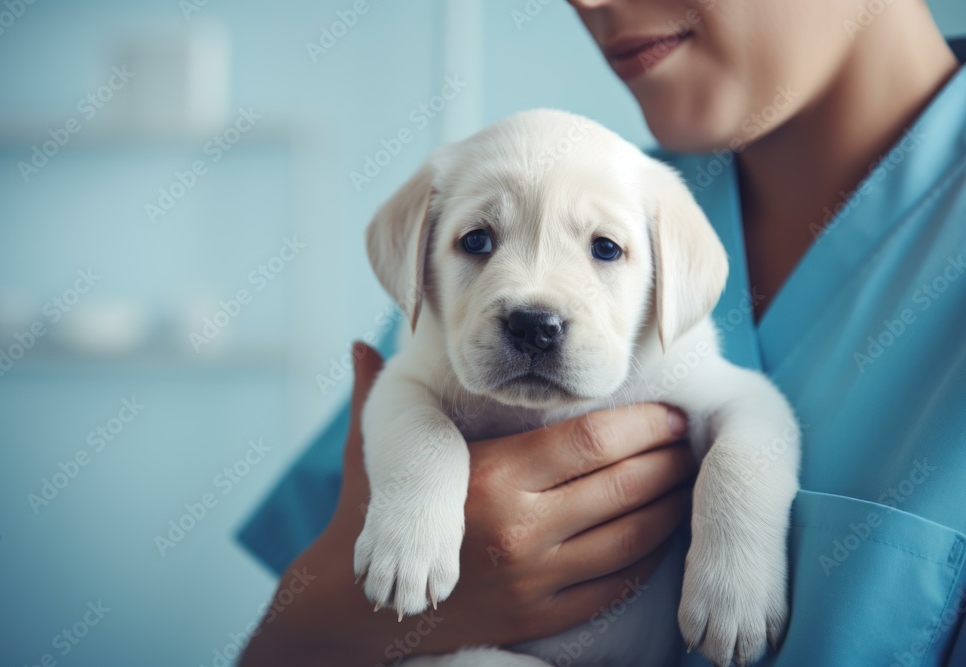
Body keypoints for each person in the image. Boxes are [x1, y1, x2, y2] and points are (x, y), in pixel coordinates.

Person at [240, 1, 966, 664]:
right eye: (480, 243)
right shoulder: (514, 212)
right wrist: (324, 620)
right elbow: (312, 608)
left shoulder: (643, 212)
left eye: (605, 251)